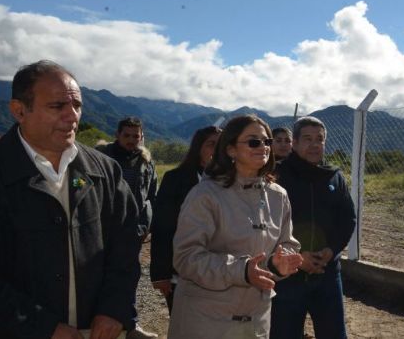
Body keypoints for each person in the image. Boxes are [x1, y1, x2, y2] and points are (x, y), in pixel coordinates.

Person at [0, 60, 141, 339]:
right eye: (57, 107)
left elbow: (124, 248)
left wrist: (114, 308)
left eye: (77, 106)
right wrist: (42, 327)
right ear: (19, 110)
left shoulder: (104, 170)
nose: (72, 116)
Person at [168, 114, 303, 339]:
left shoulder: (278, 196)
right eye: (253, 141)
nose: (263, 147)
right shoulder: (205, 195)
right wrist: (241, 270)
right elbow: (186, 257)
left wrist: (280, 263)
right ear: (231, 149)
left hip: (256, 320)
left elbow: (287, 242)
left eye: (267, 141)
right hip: (206, 321)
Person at [270, 116, 356, 339]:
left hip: (327, 273)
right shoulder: (275, 176)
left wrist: (331, 251)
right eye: (307, 139)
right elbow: (267, 224)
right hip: (287, 277)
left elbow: (347, 219)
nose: (315, 144)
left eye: (320, 139)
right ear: (295, 143)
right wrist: (297, 258)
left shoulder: (334, 177)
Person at [97, 117, 159, 339]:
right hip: (102, 228)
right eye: (127, 135)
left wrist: (148, 224)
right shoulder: (101, 157)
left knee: (129, 275)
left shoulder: (146, 161)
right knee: (98, 275)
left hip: (133, 229)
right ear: (117, 135)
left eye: (137, 136)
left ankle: (130, 325)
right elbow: (80, 185)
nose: (133, 140)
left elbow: (151, 195)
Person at [150, 125, 221, 313]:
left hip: (222, 272)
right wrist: (161, 273)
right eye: (211, 144)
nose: (217, 150)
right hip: (181, 271)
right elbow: (162, 227)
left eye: (222, 145)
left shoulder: (234, 183)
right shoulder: (175, 179)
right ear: (198, 148)